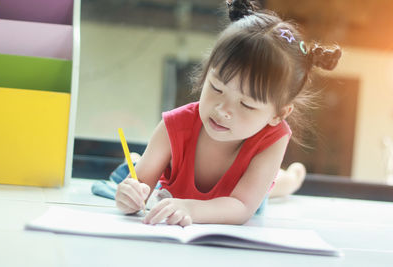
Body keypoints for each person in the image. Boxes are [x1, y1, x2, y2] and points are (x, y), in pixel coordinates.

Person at [115, 0, 341, 226]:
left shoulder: (274, 137)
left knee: (276, 186)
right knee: (131, 168)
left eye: (247, 105)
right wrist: (129, 196)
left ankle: (292, 178)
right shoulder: (173, 126)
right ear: (206, 75)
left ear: (279, 114)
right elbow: (139, 187)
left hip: (245, 196)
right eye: (216, 88)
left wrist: (189, 208)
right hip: (197, 199)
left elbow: (241, 206)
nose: (222, 110)